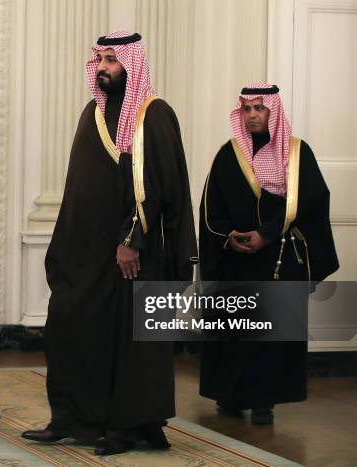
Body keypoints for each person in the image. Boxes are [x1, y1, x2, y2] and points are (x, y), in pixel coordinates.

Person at [21, 31, 197, 455]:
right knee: (70, 327)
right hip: (85, 254)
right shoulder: (93, 113)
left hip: (131, 255)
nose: (103, 67)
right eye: (99, 59)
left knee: (131, 343)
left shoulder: (153, 116)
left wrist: (132, 240)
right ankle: (73, 418)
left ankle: (131, 427)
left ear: (132, 65)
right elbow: (80, 185)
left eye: (113, 60)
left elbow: (158, 186)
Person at [198, 83, 338, 425]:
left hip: (279, 261)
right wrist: (228, 238)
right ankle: (229, 397)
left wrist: (266, 234)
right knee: (234, 331)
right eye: (246, 109)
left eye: (259, 108)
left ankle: (265, 403)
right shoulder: (228, 154)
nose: (252, 115)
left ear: (273, 111)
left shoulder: (296, 153)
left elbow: (310, 201)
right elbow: (210, 207)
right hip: (236, 261)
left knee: (271, 337)